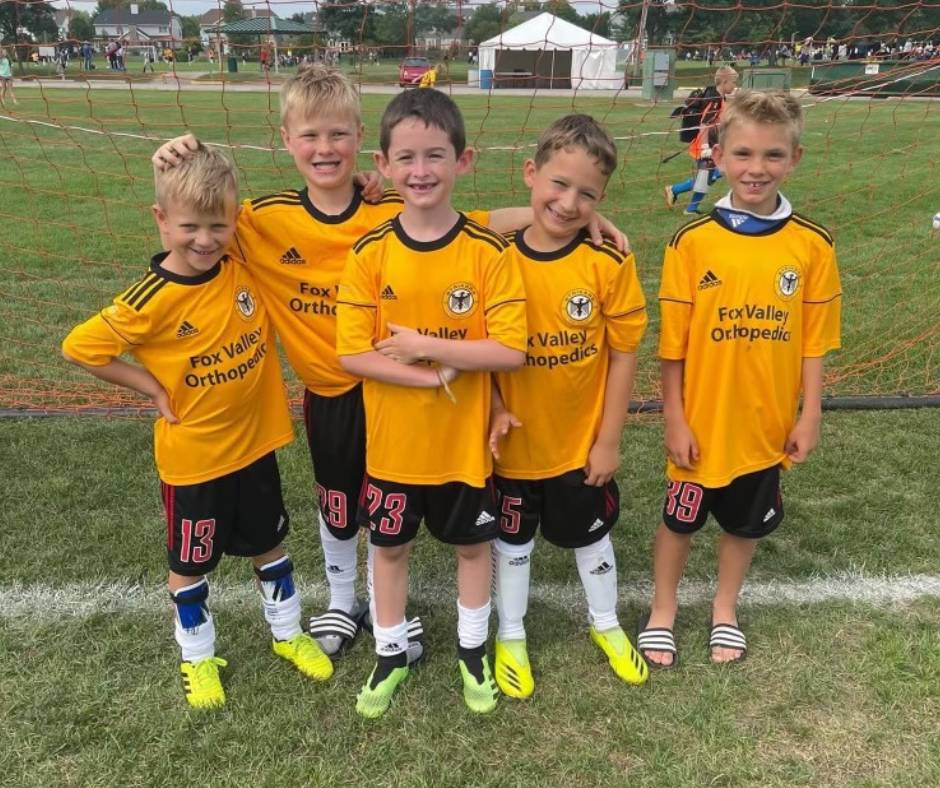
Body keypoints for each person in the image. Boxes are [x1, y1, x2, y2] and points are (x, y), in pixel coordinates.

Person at [151, 65, 627, 666]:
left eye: (338, 135)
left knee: (392, 509)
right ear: (285, 140)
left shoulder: (396, 203)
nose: (325, 150)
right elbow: (194, 221)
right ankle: (344, 600)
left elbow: (479, 223)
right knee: (339, 502)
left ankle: (386, 607)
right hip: (334, 391)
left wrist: (579, 218)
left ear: (361, 142)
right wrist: (171, 154)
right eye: (310, 137)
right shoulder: (257, 220)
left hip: (405, 391)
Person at [62, 144, 334, 709]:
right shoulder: (149, 299)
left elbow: (299, 207)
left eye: (218, 225)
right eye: (189, 226)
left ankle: (288, 635)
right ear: (161, 220)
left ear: (235, 222)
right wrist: (152, 387)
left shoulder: (240, 265)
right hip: (194, 462)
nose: (205, 239)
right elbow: (80, 347)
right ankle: (197, 656)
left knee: (270, 544)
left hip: (255, 448)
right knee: (189, 566)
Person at [336, 88, 528, 718]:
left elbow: (511, 349)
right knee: (389, 549)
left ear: (463, 161)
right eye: (408, 157)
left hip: (462, 445)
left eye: (437, 156)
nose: (422, 171)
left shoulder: (487, 252)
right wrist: (430, 376)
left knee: (473, 548)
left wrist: (422, 346)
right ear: (384, 164)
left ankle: (473, 651)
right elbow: (352, 355)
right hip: (393, 446)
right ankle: (391, 653)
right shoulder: (369, 254)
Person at [638, 91, 842, 669]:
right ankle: (663, 610)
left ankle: (725, 609)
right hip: (700, 423)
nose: (757, 168)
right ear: (719, 154)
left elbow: (814, 341)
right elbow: (671, 347)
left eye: (773, 155)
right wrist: (674, 417)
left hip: (766, 423)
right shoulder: (691, 242)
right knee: (678, 521)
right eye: (745, 153)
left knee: (744, 524)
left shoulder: (812, 245)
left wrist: (811, 413)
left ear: (795, 158)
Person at [487, 115, 649, 699]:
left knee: (591, 536)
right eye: (558, 184)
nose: (569, 202)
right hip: (511, 445)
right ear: (530, 173)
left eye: (588, 194)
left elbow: (625, 355)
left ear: (602, 200)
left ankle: (605, 623)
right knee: (512, 543)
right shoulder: (492, 254)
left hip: (579, 444)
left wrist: (609, 440)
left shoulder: (608, 263)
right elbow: (460, 221)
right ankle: (510, 634)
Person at [664, 66, 738, 215]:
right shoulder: (714, 99)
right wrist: (705, 147)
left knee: (710, 176)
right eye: (733, 82)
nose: (735, 86)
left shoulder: (719, 97)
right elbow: (705, 123)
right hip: (705, 145)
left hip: (713, 144)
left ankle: (679, 195)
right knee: (706, 177)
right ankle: (681, 198)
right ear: (724, 82)